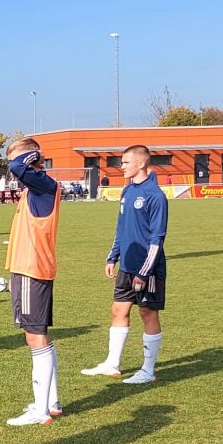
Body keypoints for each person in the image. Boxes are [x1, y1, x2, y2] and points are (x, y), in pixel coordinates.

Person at [82, 145, 168, 383]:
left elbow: (157, 238)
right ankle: (112, 364)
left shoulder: (155, 196)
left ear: (141, 163)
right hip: (126, 267)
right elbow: (121, 230)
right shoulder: (127, 192)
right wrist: (113, 257)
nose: (121, 167)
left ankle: (148, 370)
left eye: (125, 162)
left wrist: (144, 271)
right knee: (118, 310)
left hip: (146, 269)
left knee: (147, 313)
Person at [3, 138, 64, 426]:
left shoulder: (43, 185)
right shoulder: (37, 188)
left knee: (34, 336)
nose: (11, 166)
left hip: (32, 269)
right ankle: (50, 402)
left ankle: (41, 410)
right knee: (38, 335)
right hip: (30, 268)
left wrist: (27, 156)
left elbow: (17, 166)